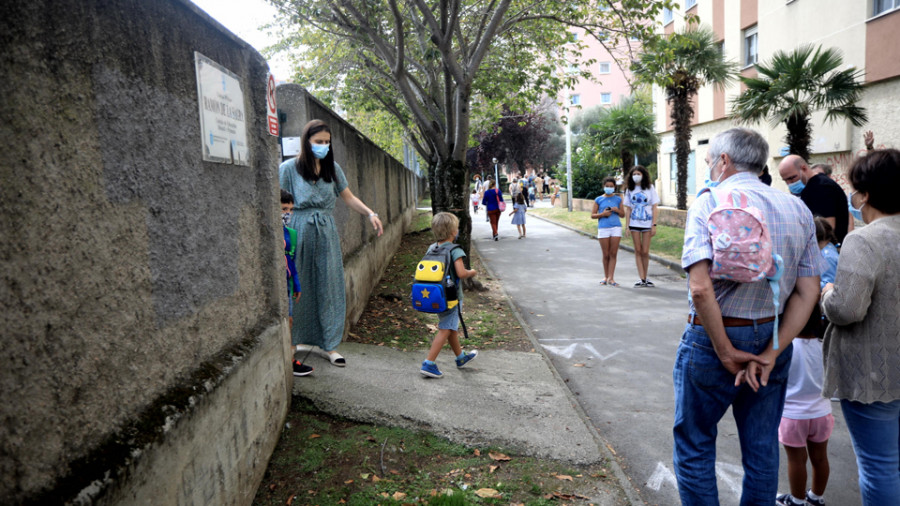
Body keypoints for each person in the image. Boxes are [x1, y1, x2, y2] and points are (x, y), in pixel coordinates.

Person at [675, 127, 821, 505]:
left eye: (709, 161)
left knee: (695, 443)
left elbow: (700, 287)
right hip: (772, 340)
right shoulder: (797, 208)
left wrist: (724, 350)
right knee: (761, 450)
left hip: (712, 340)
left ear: (723, 161)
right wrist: (773, 351)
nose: (709, 167)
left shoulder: (709, 201)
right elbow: (808, 291)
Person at [820, 149, 900, 506]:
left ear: (865, 194)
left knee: (879, 467)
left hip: (873, 375)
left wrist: (827, 293)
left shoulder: (863, 240)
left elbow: (847, 309)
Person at [279, 119, 384, 368]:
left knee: (329, 286)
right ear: (307, 142)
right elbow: (280, 204)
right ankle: (295, 343)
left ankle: (329, 344)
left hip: (325, 232)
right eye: (319, 142)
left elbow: (348, 197)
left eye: (327, 142)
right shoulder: (288, 169)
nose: (323, 146)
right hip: (298, 230)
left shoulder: (332, 169)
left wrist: (370, 213)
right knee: (299, 286)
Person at [774, 218, 837, 506]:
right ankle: (816, 498)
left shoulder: (785, 347)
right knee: (820, 458)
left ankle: (796, 501)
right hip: (822, 412)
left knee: (796, 460)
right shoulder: (825, 344)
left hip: (793, 414)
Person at [420, 212, 478, 378]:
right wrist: (471, 272)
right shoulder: (455, 250)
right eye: (457, 228)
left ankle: (460, 357)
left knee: (450, 326)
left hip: (436, 295)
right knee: (445, 328)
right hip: (452, 298)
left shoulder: (432, 248)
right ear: (454, 232)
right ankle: (429, 363)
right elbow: (460, 273)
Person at [778, 155, 851, 245]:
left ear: (804, 168)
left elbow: (826, 228)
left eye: (792, 178)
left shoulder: (821, 187)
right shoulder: (812, 187)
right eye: (785, 180)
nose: (789, 184)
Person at [281, 190, 312, 377]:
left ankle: (289, 360)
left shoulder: (291, 234)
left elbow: (291, 261)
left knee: (290, 321)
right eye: (284, 208)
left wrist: (297, 284)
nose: (287, 213)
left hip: (288, 285)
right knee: (285, 322)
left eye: (291, 209)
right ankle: (288, 360)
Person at [623, 165, 659, 287]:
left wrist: (654, 224)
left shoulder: (650, 188)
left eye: (638, 174)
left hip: (647, 224)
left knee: (645, 251)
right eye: (634, 174)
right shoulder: (629, 190)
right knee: (637, 250)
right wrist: (627, 226)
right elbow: (628, 209)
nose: (636, 176)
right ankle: (642, 278)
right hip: (634, 224)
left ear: (643, 175)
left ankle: (646, 276)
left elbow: (655, 208)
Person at [591, 177, 623, 286]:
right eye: (607, 186)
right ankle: (605, 276)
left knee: (613, 253)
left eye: (611, 186)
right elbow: (593, 215)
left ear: (614, 187)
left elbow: (623, 214)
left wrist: (617, 210)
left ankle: (611, 278)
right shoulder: (598, 199)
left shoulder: (618, 199)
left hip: (616, 228)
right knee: (606, 254)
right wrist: (602, 214)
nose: (609, 188)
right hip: (603, 228)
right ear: (604, 186)